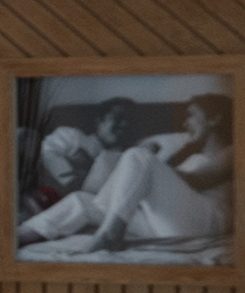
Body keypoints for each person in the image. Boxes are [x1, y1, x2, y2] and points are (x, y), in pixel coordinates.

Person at [18, 107, 228, 262]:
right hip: (170, 224)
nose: (186, 123)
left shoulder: (234, 149)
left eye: (193, 114)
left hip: (204, 221)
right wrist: (139, 175)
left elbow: (200, 181)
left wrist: (149, 168)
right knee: (83, 201)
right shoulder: (189, 153)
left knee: (138, 155)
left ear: (215, 117)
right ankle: (20, 235)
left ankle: (110, 234)